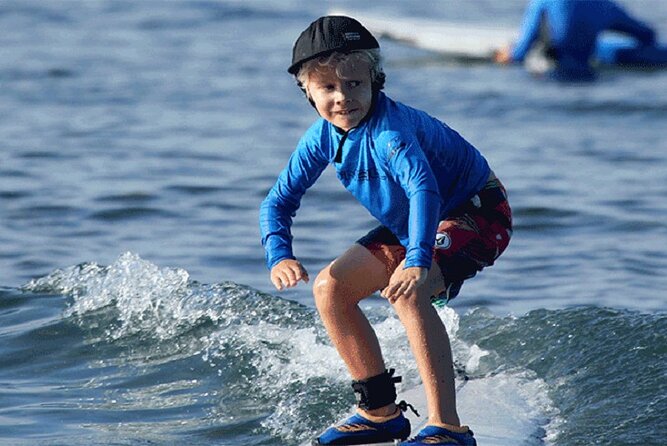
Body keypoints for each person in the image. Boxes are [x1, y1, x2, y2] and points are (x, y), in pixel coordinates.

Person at [260, 16, 512, 446]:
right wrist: (279, 254)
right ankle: (379, 411)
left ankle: (448, 429)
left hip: (477, 211)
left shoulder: (391, 132)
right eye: (328, 89)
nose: (343, 98)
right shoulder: (322, 137)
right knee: (329, 289)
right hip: (411, 220)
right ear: (308, 92)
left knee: (407, 290)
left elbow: (423, 189)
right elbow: (277, 202)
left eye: (355, 84)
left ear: (376, 80)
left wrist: (417, 260)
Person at [495, 0, 657, 81]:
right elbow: (647, 34)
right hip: (591, 78)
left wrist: (505, 55)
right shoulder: (603, 5)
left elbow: (520, 53)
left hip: (550, 78)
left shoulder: (544, 1)